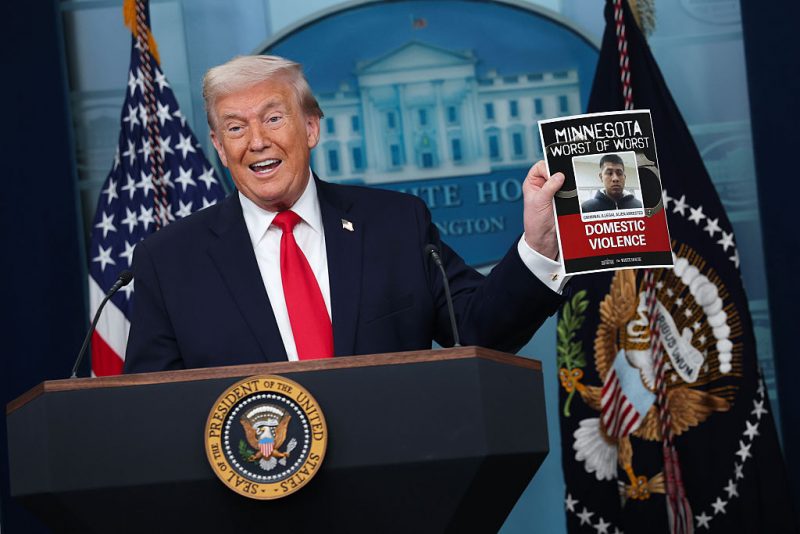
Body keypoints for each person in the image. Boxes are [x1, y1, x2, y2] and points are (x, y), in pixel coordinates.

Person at [123, 55, 567, 373]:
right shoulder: (169, 261)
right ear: (220, 147)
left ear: (311, 127)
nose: (256, 141)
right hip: (249, 494)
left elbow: (480, 332)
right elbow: (153, 411)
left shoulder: (396, 224)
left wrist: (539, 245)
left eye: (274, 119)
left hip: (394, 487)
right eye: (236, 127)